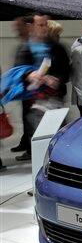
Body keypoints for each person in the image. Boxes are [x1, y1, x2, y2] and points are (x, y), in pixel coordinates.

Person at [14, 14, 71, 161]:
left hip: (55, 100)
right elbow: (19, 70)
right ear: (32, 26)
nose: (44, 28)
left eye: (45, 24)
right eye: (40, 25)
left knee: (59, 136)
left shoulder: (57, 47)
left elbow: (66, 71)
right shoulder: (25, 48)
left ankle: (58, 164)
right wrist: (30, 75)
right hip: (33, 102)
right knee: (39, 138)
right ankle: (42, 166)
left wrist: (57, 79)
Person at [10, 16, 34, 156]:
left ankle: (31, 149)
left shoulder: (32, 43)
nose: (16, 29)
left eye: (18, 26)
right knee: (25, 117)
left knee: (30, 119)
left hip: (31, 89)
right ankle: (25, 142)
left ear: (26, 26)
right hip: (23, 88)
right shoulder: (24, 42)